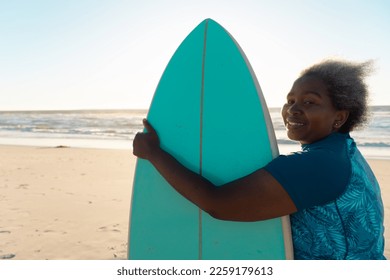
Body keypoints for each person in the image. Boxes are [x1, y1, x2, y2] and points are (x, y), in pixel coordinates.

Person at [133, 59, 386, 260]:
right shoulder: (346, 152)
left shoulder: (317, 165)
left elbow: (219, 205)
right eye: (290, 100)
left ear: (339, 118)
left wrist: (154, 154)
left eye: (309, 102)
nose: (293, 109)